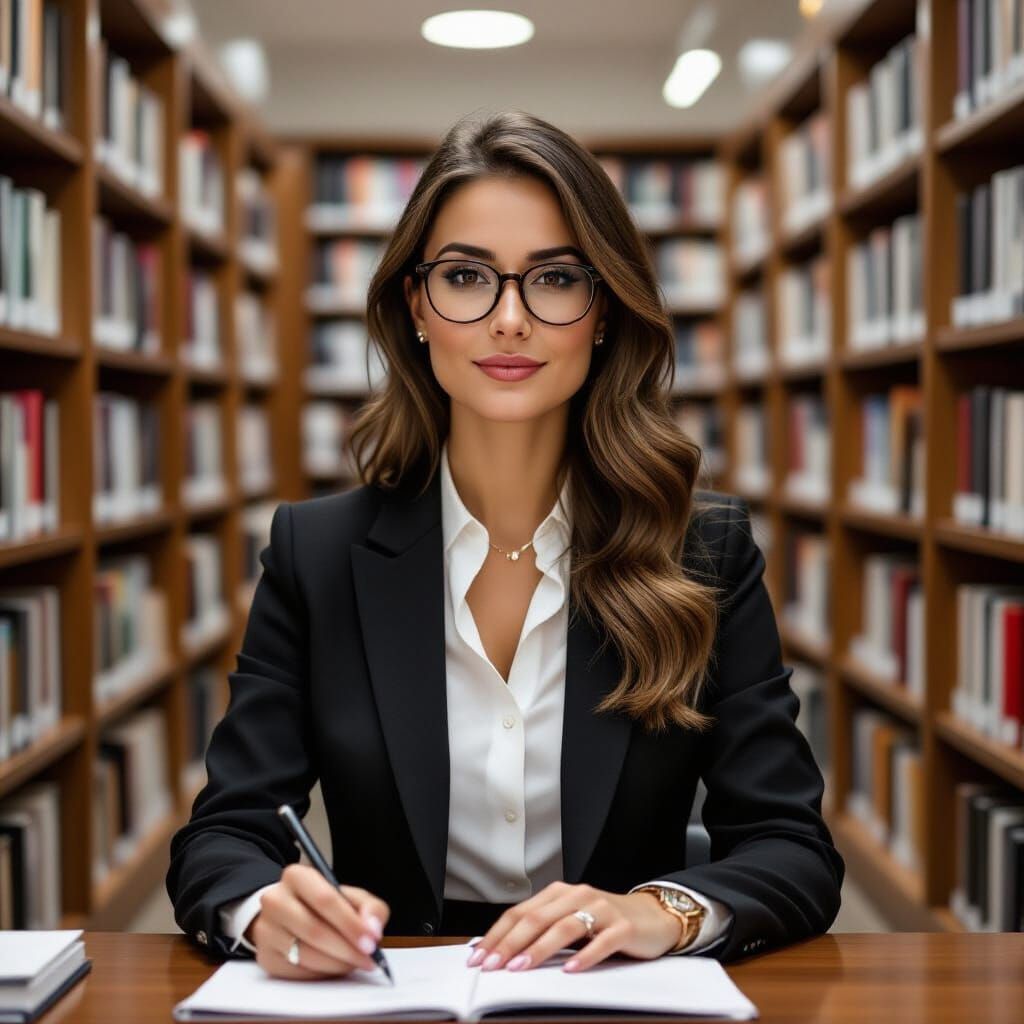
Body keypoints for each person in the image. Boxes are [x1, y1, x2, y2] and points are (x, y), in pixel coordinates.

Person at [166, 109, 844, 980]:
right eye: (465, 277)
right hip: (388, 992)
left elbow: (793, 849)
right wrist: (265, 910)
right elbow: (222, 834)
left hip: (616, 993)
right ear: (417, 306)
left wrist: (658, 910)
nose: (511, 320)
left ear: (604, 310)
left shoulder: (701, 552)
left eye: (557, 279)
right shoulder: (317, 553)